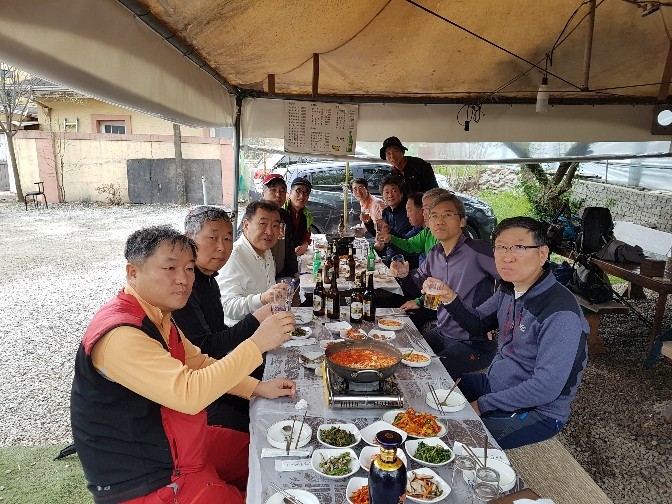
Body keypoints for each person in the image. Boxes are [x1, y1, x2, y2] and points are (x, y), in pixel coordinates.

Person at [70, 226, 296, 503]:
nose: (183, 279)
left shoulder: (159, 316)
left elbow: (198, 363)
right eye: (170, 268)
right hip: (153, 476)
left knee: (267, 452)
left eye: (189, 269)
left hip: (182, 440)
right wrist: (257, 344)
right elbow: (189, 394)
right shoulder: (121, 335)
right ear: (133, 273)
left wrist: (258, 387)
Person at [433, 217, 589, 449]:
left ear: (543, 254)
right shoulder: (509, 288)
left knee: (452, 439)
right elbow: (478, 324)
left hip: (538, 411)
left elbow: (545, 387)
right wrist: (450, 298)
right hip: (496, 384)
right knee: (433, 389)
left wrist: (482, 405)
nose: (507, 257)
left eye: (519, 247)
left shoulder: (560, 311)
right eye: (501, 247)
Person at [173, 205, 272, 433]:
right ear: (188, 239)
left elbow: (216, 339)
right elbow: (205, 348)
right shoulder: (183, 288)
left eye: (227, 238)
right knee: (261, 423)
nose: (222, 247)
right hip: (197, 391)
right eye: (212, 238)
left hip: (216, 370)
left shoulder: (209, 279)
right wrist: (256, 321)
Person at [393, 193, 499, 378]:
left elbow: (513, 282)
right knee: (400, 357)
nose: (439, 221)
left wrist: (492, 320)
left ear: (462, 221)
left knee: (427, 374)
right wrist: (403, 275)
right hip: (442, 332)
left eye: (447, 214)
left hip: (473, 342)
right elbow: (416, 285)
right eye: (434, 215)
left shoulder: (477, 249)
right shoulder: (435, 252)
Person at [218, 201, 288, 326]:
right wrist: (262, 298)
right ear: (246, 225)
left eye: (275, 226)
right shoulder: (233, 256)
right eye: (262, 224)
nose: (270, 232)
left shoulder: (266, 251)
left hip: (267, 324)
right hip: (241, 332)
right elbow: (227, 307)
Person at [260, 173, 299, 280]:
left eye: (282, 191)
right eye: (273, 190)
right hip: (260, 275)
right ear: (263, 193)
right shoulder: (254, 215)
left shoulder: (285, 215)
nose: (278, 195)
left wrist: (294, 272)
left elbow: (290, 246)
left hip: (281, 273)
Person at [283, 177, 313, 256]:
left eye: (306, 192)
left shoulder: (306, 215)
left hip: (297, 256)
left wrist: (304, 245)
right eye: (298, 191)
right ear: (290, 193)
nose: (302, 196)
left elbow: (306, 237)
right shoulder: (282, 210)